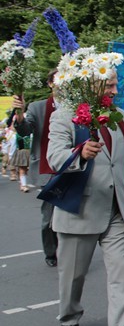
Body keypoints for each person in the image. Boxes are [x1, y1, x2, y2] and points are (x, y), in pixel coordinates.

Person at [46, 71, 124, 326]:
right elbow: (55, 158)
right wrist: (80, 153)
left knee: (122, 275)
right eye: (109, 85)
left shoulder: (122, 117)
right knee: (73, 275)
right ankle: (69, 316)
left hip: (116, 209)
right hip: (80, 210)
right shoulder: (65, 115)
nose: (115, 90)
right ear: (89, 85)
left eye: (116, 84)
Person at [12, 70, 60, 266]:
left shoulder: (78, 107)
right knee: (49, 219)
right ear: (50, 83)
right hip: (47, 170)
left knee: (73, 216)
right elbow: (25, 130)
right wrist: (20, 115)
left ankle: (71, 251)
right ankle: (51, 253)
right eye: (58, 80)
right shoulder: (38, 107)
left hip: (72, 169)